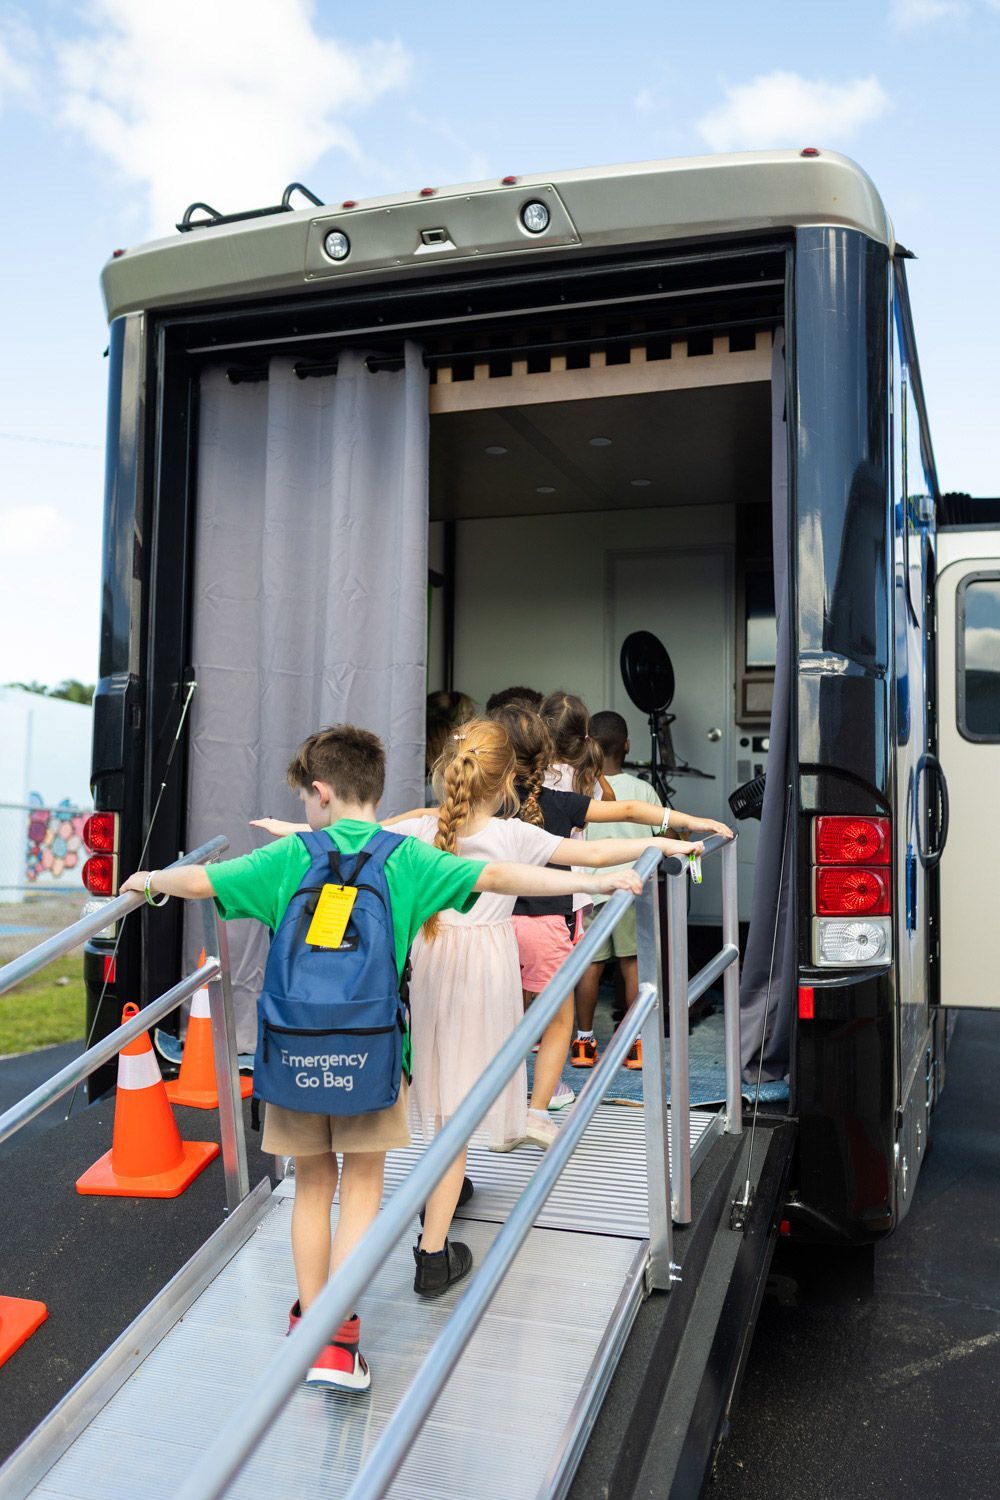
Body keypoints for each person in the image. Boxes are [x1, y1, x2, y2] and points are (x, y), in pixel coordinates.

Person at [123, 723, 644, 1395]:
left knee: (313, 1187)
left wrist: (149, 880)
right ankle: (341, 1342)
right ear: (372, 789)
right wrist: (598, 884)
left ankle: (311, 1327)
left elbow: (201, 880)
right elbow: (494, 872)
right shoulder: (408, 857)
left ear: (320, 793)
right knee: (362, 1186)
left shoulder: (291, 858)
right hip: (369, 1055)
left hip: (295, 1055)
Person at [488, 702, 720, 1116]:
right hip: (558, 914)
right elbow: (618, 819)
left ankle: (495, 1094)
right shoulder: (560, 799)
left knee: (508, 1010)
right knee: (559, 1008)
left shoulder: (484, 806)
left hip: (496, 922)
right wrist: (687, 827)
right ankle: (542, 1103)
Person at [572, 711, 732, 1068]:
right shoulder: (642, 790)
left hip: (591, 891)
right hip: (632, 891)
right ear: (626, 745)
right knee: (633, 966)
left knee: (589, 968)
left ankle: (583, 1043)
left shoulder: (582, 789)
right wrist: (681, 836)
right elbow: (666, 834)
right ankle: (635, 1044)